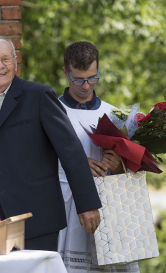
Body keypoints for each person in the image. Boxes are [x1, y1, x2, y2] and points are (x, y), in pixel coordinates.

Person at [0, 34, 102, 251]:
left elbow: (71, 150)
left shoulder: (39, 96)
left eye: (6, 59)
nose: (0, 66)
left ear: (15, 63)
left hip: (35, 219)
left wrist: (87, 204)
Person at [57, 41, 140, 272]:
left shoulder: (114, 115)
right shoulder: (52, 112)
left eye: (93, 78)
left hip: (109, 212)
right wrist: (76, 164)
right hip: (67, 210)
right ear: (66, 73)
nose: (86, 86)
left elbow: (131, 173)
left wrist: (119, 166)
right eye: (78, 79)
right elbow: (36, 164)